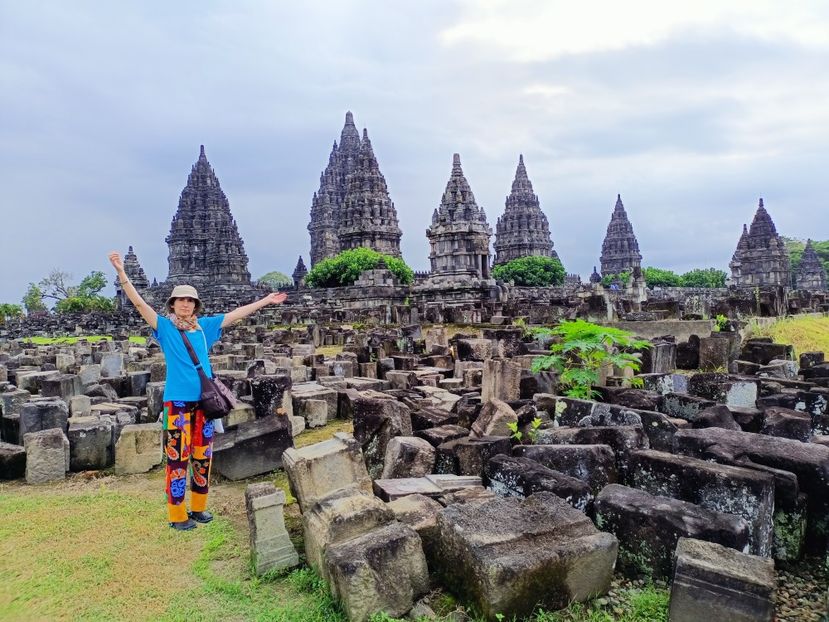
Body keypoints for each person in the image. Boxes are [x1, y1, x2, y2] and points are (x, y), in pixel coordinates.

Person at [108, 251, 287, 530]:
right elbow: (139, 303)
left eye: (190, 300)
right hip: (177, 403)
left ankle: (199, 508)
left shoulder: (204, 327)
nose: (185, 304)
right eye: (181, 300)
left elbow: (235, 315)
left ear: (195, 306)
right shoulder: (164, 327)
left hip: (206, 403)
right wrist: (121, 272)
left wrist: (265, 301)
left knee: (203, 455)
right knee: (177, 457)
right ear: (173, 303)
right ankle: (177, 514)